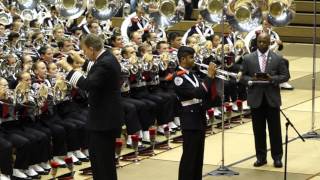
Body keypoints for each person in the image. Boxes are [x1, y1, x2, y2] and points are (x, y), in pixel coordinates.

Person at [58, 34, 124, 180]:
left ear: (92, 49)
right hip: (108, 116)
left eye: (85, 51)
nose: (84, 54)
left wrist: (68, 69)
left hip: (103, 120)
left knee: (101, 160)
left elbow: (89, 85)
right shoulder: (107, 56)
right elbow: (97, 70)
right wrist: (81, 61)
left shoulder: (105, 63)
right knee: (104, 160)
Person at [240, 32, 290, 168]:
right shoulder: (248, 59)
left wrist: (272, 79)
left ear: (269, 43)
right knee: (258, 131)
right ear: (257, 42)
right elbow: (242, 77)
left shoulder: (277, 58)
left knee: (275, 130)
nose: (262, 44)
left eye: (265, 42)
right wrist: (251, 80)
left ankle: (277, 157)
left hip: (272, 99)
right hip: (256, 99)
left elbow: (285, 76)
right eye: (260, 42)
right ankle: (261, 157)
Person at [173, 46, 218, 180]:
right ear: (182, 59)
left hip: (199, 117)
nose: (194, 60)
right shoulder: (178, 77)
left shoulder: (191, 74)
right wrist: (209, 77)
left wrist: (212, 79)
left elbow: (204, 93)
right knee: (190, 157)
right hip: (189, 119)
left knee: (198, 156)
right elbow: (197, 92)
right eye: (191, 57)